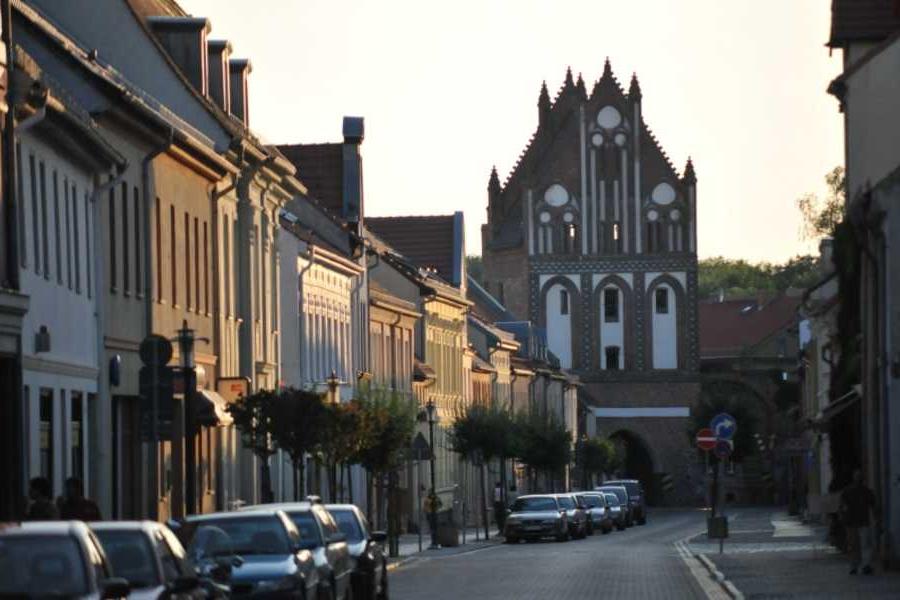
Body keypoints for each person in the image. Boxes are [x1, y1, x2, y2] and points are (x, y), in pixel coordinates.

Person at [840, 469, 879, 575]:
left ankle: (857, 566)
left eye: (859, 477)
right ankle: (860, 566)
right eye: (858, 477)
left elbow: (842, 507)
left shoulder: (851, 491)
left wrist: (843, 518)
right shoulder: (864, 491)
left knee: (856, 545)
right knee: (861, 544)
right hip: (858, 522)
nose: (859, 479)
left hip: (857, 522)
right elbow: (842, 506)